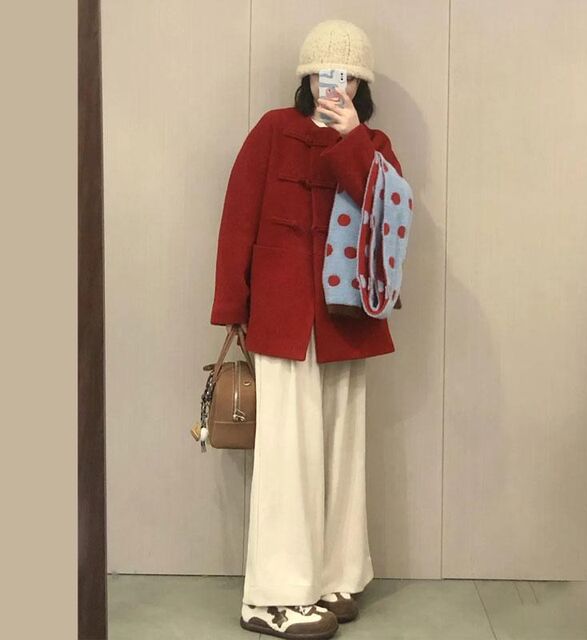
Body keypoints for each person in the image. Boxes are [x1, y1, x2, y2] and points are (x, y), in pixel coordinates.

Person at [209, 19, 405, 639]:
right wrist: (234, 306)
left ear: (361, 85)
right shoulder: (273, 130)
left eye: (347, 77)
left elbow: (389, 214)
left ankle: (333, 577)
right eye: (324, 74)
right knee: (286, 457)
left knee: (342, 450)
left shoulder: (374, 142)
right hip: (283, 315)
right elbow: (238, 217)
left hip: (346, 319)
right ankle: (273, 597)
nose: (334, 85)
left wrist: (352, 140)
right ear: (307, 78)